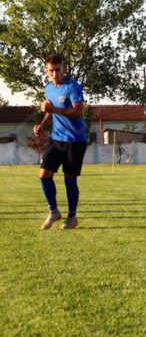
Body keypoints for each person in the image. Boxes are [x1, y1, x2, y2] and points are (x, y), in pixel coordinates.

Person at [35, 54, 87, 230]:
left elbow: (78, 111)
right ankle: (54, 212)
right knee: (44, 174)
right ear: (46, 70)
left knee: (69, 180)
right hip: (56, 139)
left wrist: (53, 108)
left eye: (58, 70)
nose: (55, 74)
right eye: (51, 70)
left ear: (63, 68)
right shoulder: (48, 89)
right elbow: (50, 111)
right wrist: (42, 124)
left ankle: (72, 217)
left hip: (75, 141)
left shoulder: (73, 87)